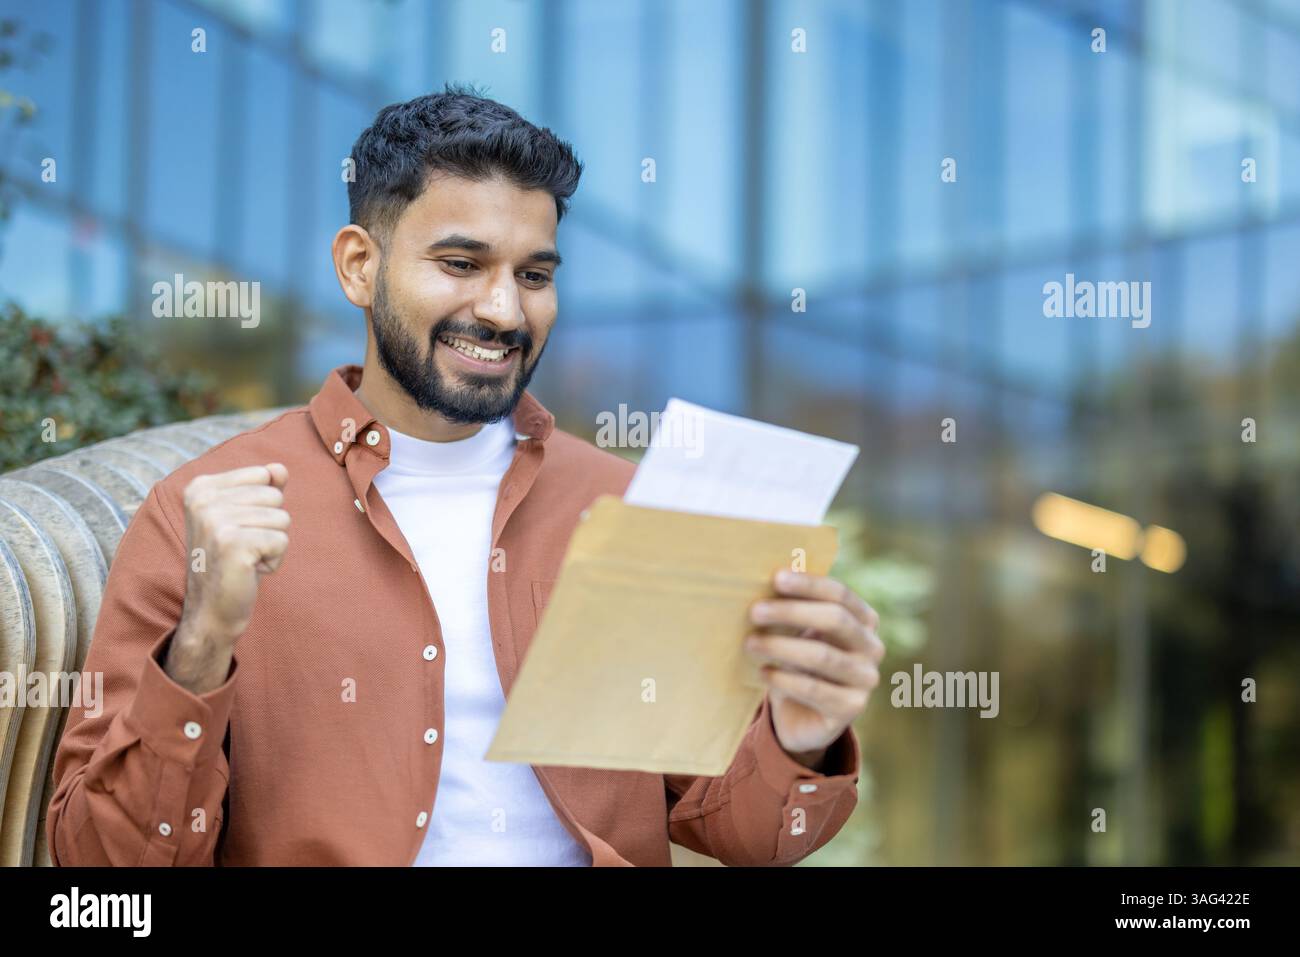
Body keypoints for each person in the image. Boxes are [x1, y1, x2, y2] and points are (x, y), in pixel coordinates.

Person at [46, 84, 885, 866]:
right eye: (460, 263)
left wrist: (799, 734)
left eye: (535, 274)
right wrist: (201, 648)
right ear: (358, 266)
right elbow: (102, 869)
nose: (504, 310)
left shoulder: (623, 507)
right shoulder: (204, 516)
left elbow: (741, 830)